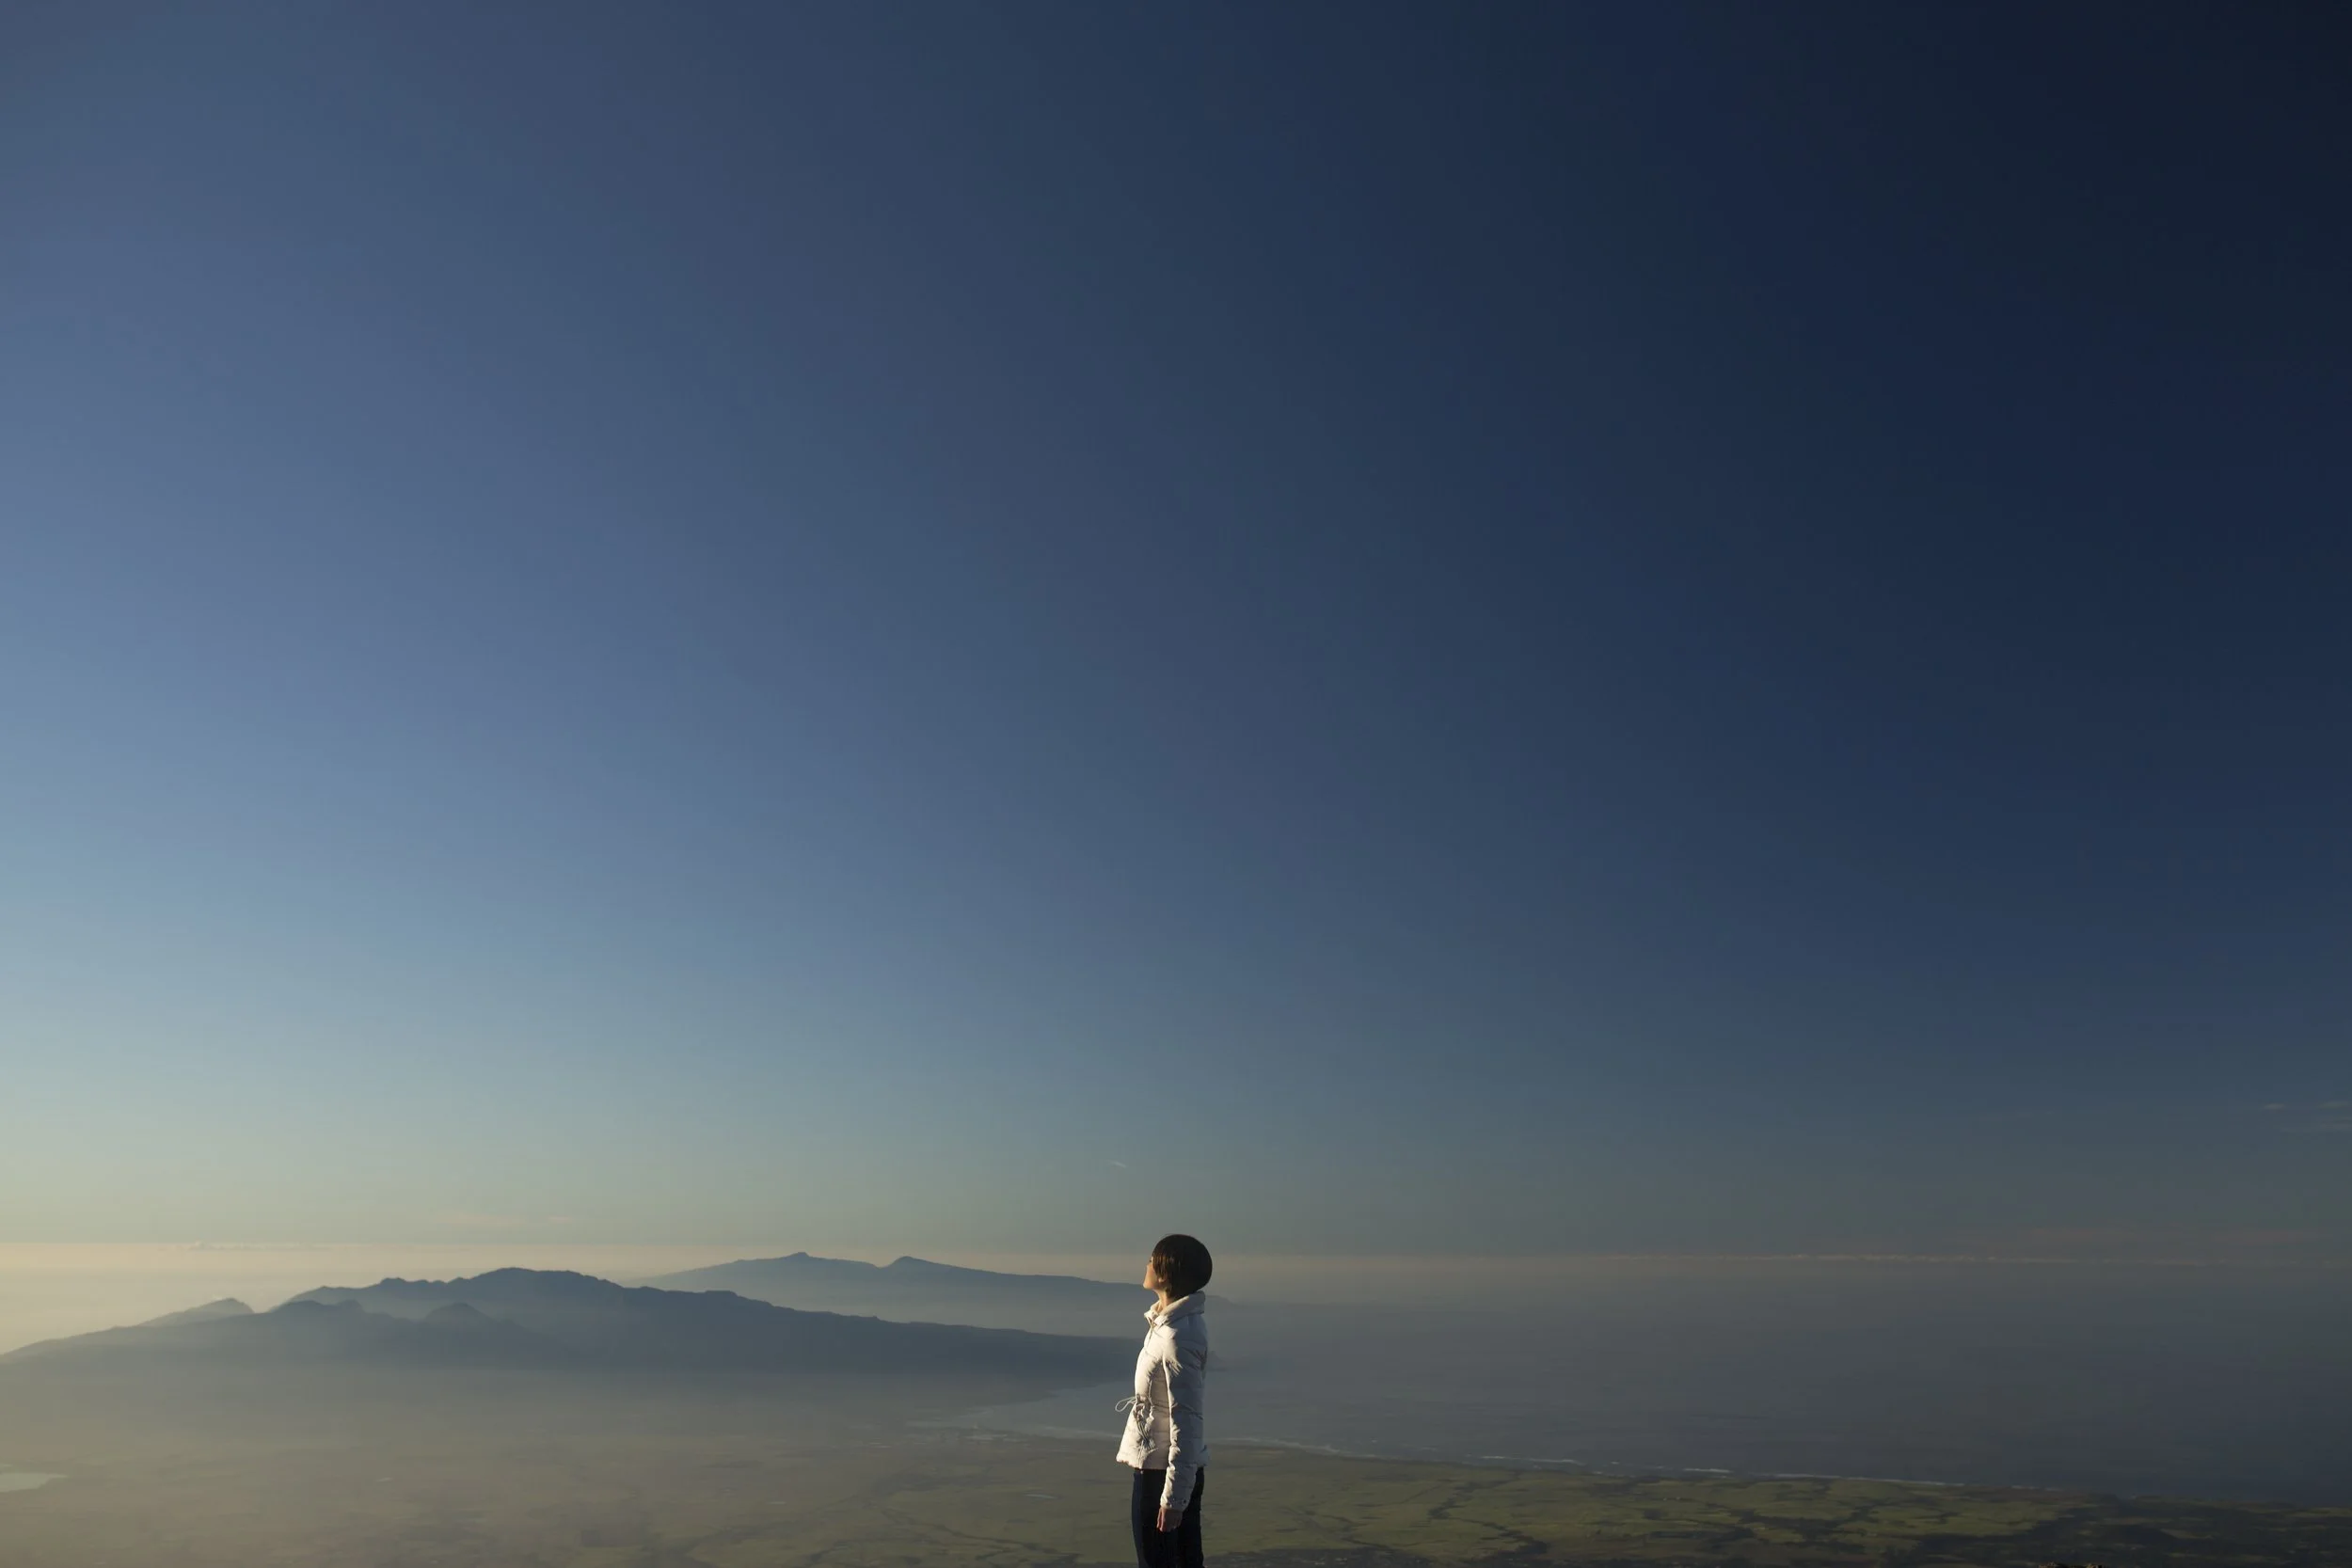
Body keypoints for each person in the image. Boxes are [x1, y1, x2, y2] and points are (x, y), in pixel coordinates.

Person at [1116, 1232, 1212, 1568]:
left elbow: (1187, 1419)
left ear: (1166, 1272)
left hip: (1161, 1474)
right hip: (1164, 1470)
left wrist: (1173, 1498)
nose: (1146, 1264)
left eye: (1152, 1260)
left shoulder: (1176, 1336)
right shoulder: (1169, 1325)